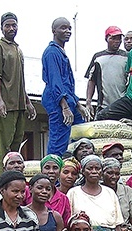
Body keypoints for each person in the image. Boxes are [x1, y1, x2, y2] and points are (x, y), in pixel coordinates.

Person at [0, 12, 37, 174]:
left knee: (17, 142)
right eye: (7, 25)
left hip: (19, 103)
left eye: (14, 25)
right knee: (3, 144)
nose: (11, 28)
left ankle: (15, 175)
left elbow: (21, 79)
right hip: (6, 103)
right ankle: (3, 177)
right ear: (2, 28)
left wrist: (28, 102)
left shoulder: (17, 49)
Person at [42, 17, 89, 156]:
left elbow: (67, 83)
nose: (67, 31)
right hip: (58, 102)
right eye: (63, 28)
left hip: (68, 100)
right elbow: (55, 81)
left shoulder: (61, 52)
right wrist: (65, 106)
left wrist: (77, 104)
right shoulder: (52, 52)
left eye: (69, 28)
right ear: (54, 31)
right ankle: (52, 173)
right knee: (58, 141)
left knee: (80, 132)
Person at [67, 156, 128, 231]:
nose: (94, 171)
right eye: (90, 168)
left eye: (97, 168)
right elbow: (69, 223)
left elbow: (117, 225)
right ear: (83, 171)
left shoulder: (109, 192)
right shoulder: (74, 192)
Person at [85, 26, 128, 119]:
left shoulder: (126, 57)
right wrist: (88, 102)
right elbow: (91, 80)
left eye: (119, 38)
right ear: (106, 39)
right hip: (103, 106)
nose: (117, 41)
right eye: (113, 38)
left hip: (123, 107)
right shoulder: (98, 57)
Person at [34, 154, 71, 225]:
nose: (51, 171)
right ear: (41, 170)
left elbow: (65, 224)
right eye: (47, 167)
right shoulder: (31, 193)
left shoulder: (63, 199)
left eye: (55, 168)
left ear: (60, 171)